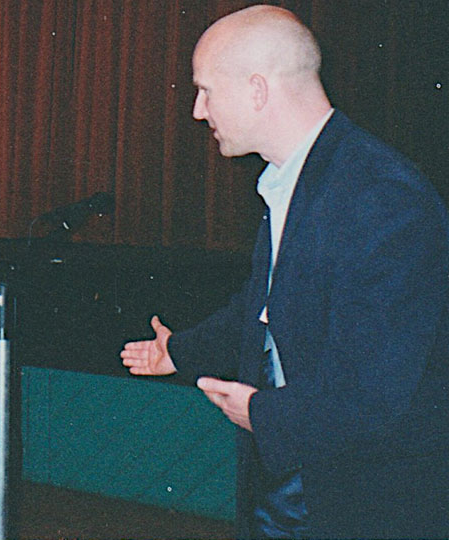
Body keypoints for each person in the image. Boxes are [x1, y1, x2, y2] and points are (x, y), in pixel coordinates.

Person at [121, 5, 449, 538]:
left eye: (205, 90)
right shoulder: (301, 180)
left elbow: (377, 390)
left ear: (256, 89)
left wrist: (262, 415)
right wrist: (176, 352)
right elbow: (262, 308)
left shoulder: (383, 196)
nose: (198, 111)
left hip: (367, 502)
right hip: (306, 488)